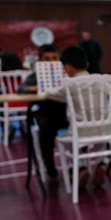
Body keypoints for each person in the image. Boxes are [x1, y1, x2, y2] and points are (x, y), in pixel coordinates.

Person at [28, 45, 88, 180]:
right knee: (46, 129)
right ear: (40, 60)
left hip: (68, 114)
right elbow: (22, 88)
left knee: (82, 123)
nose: (51, 62)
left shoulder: (69, 77)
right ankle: (49, 164)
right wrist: (34, 88)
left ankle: (79, 165)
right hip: (47, 113)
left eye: (55, 58)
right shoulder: (35, 76)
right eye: (47, 59)